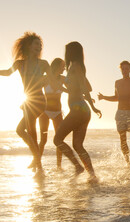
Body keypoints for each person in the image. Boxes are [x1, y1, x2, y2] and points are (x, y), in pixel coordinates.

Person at [0, 32, 52, 172]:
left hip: (39, 100)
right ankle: (37, 163)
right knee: (28, 131)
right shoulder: (20, 63)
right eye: (36, 44)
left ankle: (37, 160)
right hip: (28, 100)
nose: (39, 46)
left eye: (40, 45)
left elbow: (51, 78)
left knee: (23, 130)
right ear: (29, 46)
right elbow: (7, 72)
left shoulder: (43, 63)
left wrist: (45, 81)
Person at [53, 41, 102, 180]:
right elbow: (83, 87)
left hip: (78, 109)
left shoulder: (75, 66)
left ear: (71, 53)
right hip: (82, 110)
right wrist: (63, 87)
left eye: (67, 51)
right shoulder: (76, 67)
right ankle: (92, 176)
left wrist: (92, 106)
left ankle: (78, 167)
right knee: (78, 145)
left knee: (57, 139)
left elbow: (86, 88)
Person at [98, 61, 130, 166]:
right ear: (120, 70)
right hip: (120, 113)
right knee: (122, 139)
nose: (125, 71)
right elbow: (116, 98)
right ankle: (128, 162)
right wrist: (104, 97)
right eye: (123, 69)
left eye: (127, 69)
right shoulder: (117, 82)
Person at [39, 58, 67, 169]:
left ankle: (59, 166)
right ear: (56, 66)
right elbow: (33, 90)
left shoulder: (64, 79)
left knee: (59, 140)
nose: (64, 68)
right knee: (43, 139)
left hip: (57, 113)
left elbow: (74, 89)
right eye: (62, 66)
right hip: (44, 112)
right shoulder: (45, 79)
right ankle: (38, 164)